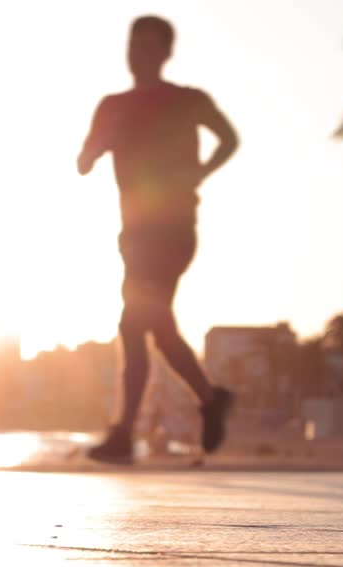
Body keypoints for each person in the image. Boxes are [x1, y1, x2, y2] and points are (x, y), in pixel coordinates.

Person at [77, 16, 238, 464]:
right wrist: (99, 144)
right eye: (134, 45)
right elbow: (83, 163)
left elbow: (229, 138)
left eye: (149, 46)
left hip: (174, 229)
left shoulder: (187, 100)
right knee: (156, 329)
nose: (139, 54)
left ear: (166, 53)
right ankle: (209, 399)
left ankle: (123, 434)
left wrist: (200, 172)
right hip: (133, 233)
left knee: (135, 323)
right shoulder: (111, 106)